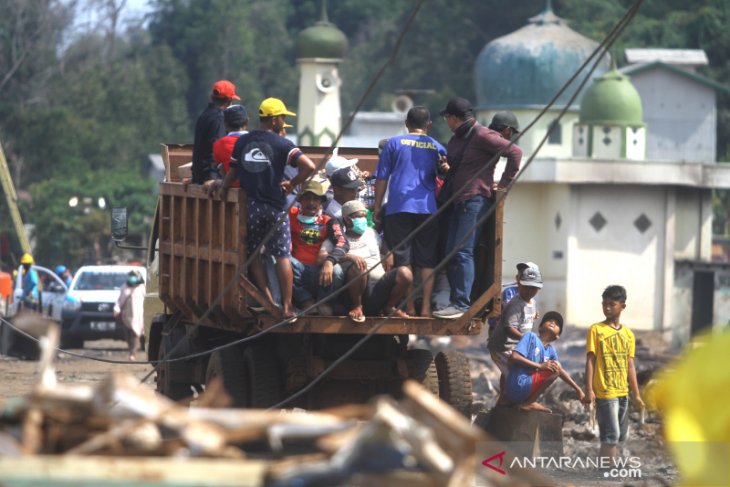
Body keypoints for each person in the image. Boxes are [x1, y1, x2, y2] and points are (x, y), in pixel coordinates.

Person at [214, 97, 316, 321]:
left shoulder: (243, 142)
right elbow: (309, 166)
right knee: (282, 256)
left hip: (251, 208)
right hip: (275, 209)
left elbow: (232, 173)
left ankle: (268, 300)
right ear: (274, 119)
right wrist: (292, 183)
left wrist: (222, 190)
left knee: (252, 254)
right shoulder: (283, 144)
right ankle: (288, 308)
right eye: (282, 117)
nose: (283, 121)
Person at [433, 98, 523, 319]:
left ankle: (461, 303)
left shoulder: (482, 135)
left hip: (473, 200)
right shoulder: (457, 139)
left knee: (463, 252)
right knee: (451, 252)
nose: (446, 122)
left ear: (454, 118)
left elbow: (515, 153)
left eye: (447, 118)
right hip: (458, 201)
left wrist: (503, 184)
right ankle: (456, 301)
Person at [373, 106, 445, 317]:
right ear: (429, 125)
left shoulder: (393, 143)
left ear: (406, 123)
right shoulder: (436, 146)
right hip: (428, 208)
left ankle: (409, 307)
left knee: (404, 261)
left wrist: (377, 208)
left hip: (398, 208)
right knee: (427, 260)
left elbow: (382, 178)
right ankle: (425, 310)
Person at [324, 200, 411, 322]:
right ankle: (357, 306)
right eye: (359, 216)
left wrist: (388, 253)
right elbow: (321, 256)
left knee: (405, 273)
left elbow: (383, 246)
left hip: (378, 287)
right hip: (353, 290)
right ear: (348, 219)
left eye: (365, 216)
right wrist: (349, 257)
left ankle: (389, 307)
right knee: (359, 266)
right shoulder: (338, 238)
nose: (363, 219)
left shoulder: (371, 233)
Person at [585, 285, 644, 461]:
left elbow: (630, 366)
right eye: (604, 304)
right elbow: (590, 360)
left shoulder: (628, 334)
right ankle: (607, 471)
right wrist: (589, 389)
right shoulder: (596, 330)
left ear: (622, 306)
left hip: (622, 391)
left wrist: (636, 394)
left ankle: (604, 468)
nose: (607, 307)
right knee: (612, 434)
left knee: (620, 436)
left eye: (612, 304)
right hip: (604, 390)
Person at [505, 311, 585, 412]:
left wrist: (578, 390)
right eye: (549, 321)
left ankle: (527, 402)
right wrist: (540, 366)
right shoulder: (530, 337)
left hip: (526, 390)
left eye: (556, 324)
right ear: (540, 328)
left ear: (558, 336)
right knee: (555, 367)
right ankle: (530, 403)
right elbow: (514, 356)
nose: (553, 323)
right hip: (518, 384)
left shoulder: (551, 350)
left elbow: (560, 371)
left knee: (556, 367)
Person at [289, 177, 348, 314]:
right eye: (307, 198)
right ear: (300, 200)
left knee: (337, 270)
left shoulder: (328, 220)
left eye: (315, 199)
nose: (311, 203)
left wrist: (329, 261)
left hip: (319, 272)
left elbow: (343, 243)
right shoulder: (290, 215)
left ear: (321, 202)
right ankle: (306, 301)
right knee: (284, 262)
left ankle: (323, 302)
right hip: (296, 270)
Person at [487, 264, 543, 404]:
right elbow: (508, 328)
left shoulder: (532, 303)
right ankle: (521, 401)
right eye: (526, 287)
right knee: (517, 373)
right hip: (502, 347)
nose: (529, 291)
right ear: (519, 284)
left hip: (516, 345)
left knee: (510, 373)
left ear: (538, 289)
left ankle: (505, 400)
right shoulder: (515, 302)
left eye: (533, 288)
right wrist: (525, 338)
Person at [192, 80, 240, 189]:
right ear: (229, 100)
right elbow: (215, 149)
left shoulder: (204, 115)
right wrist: (212, 178)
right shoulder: (220, 118)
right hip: (209, 178)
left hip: (199, 177)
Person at [212, 104, 249, 187]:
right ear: (247, 121)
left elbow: (224, 176)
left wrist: (216, 182)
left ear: (225, 124)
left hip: (232, 192)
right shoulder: (255, 140)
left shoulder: (218, 145)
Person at [114, 270, 146, 361]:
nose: (132, 277)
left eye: (134, 275)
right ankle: (132, 350)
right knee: (128, 336)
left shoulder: (142, 288)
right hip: (127, 316)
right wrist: (116, 309)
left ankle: (133, 354)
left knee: (135, 334)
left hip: (138, 316)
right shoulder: (124, 287)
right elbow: (120, 301)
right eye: (131, 275)